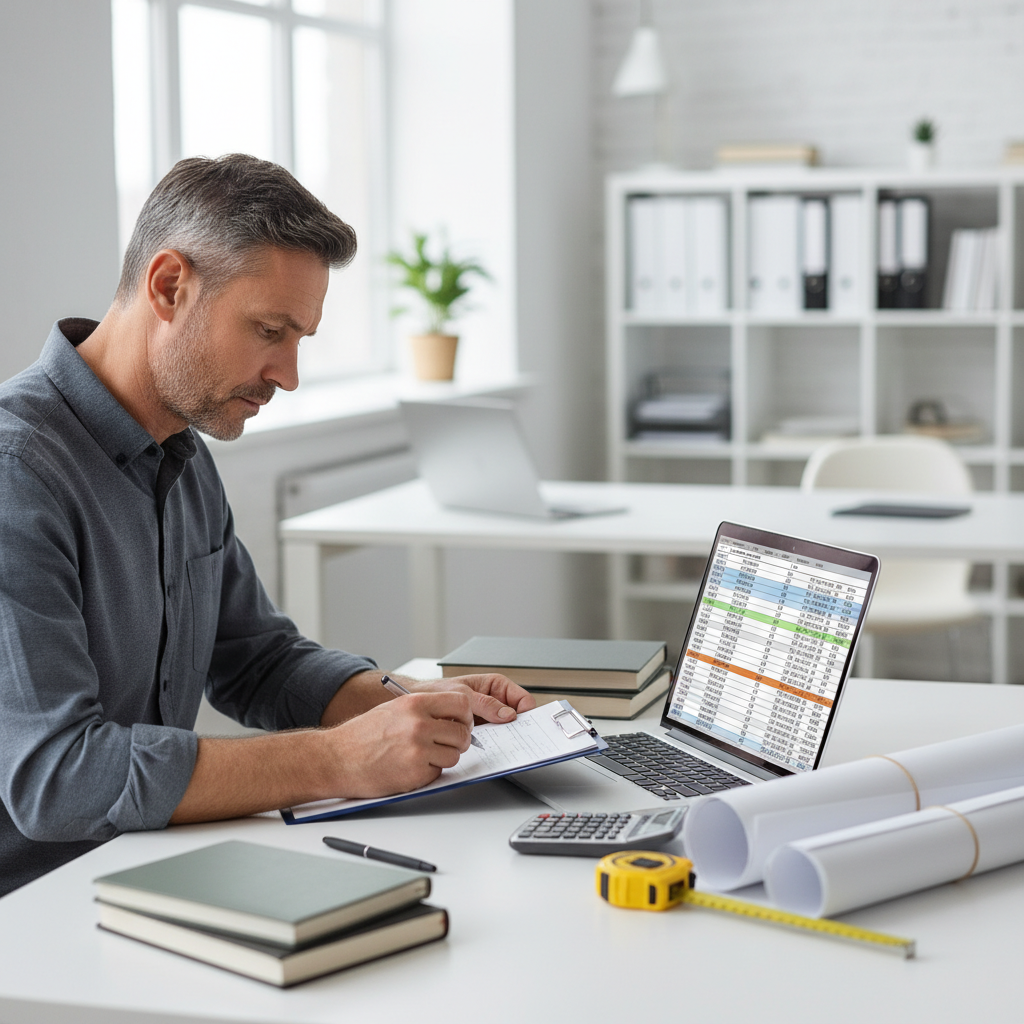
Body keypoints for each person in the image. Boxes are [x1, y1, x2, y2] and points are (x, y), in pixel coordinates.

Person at [0, 154, 534, 897]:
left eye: (300, 339)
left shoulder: (179, 449)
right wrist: (340, 758)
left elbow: (257, 659)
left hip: (139, 868)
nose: (287, 374)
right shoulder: (17, 474)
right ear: (168, 286)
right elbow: (59, 777)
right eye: (268, 330)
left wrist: (399, 700)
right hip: (33, 912)